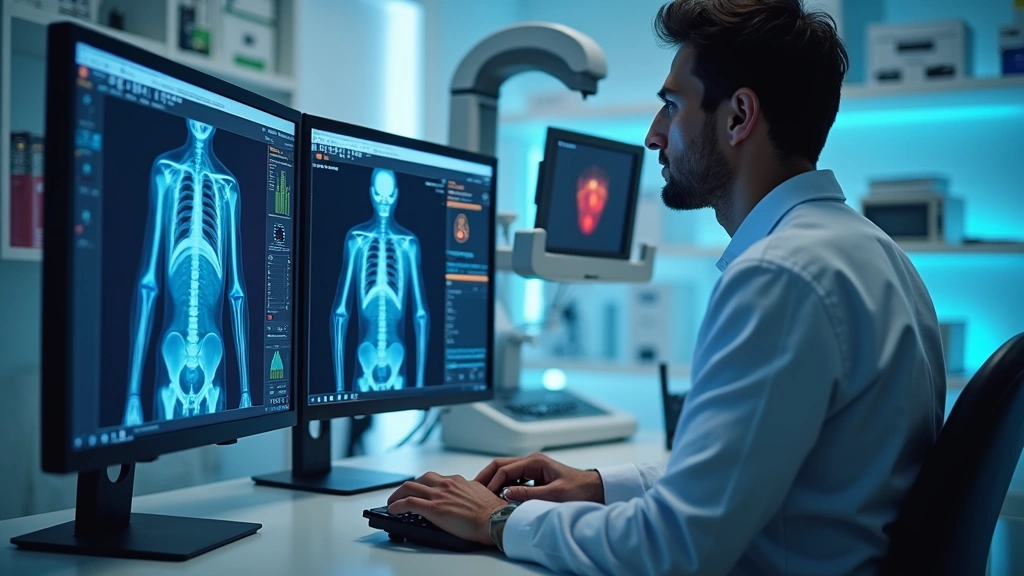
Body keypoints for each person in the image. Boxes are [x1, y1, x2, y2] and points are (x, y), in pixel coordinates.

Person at [386, 0, 946, 574]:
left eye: (672, 107)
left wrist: (499, 520)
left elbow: (673, 549)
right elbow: (748, 470)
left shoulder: (779, 275)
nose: (654, 135)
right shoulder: (874, 251)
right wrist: (599, 484)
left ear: (738, 116)